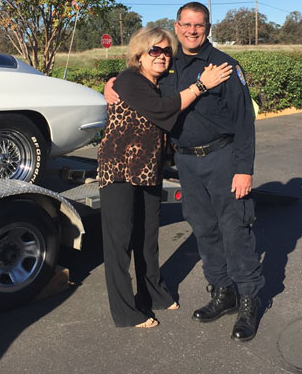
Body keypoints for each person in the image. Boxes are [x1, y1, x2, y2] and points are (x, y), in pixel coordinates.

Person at [104, 2, 265, 341]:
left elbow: (244, 122)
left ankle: (249, 298)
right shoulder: (168, 64)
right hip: (186, 163)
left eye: (199, 25)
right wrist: (111, 81)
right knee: (204, 229)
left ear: (208, 28)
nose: (192, 31)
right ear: (176, 27)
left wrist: (243, 170)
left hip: (222, 158)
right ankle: (223, 292)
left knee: (234, 228)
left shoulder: (224, 65)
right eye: (186, 25)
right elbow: (137, 79)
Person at [98, 26, 232, 329]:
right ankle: (125, 311)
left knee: (148, 238)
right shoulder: (129, 80)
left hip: (148, 169)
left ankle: (154, 293)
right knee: (119, 243)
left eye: (166, 51)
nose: (161, 56)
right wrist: (200, 85)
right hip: (119, 170)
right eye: (154, 50)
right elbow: (161, 110)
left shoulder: (161, 82)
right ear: (139, 55)